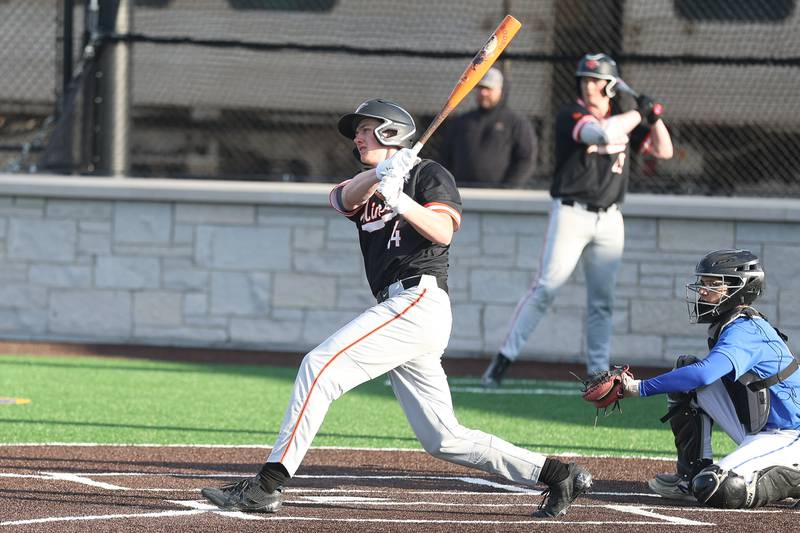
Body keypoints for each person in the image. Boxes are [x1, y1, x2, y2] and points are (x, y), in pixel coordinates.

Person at [200, 98, 592, 518]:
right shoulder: (370, 182)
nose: (357, 136)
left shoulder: (429, 174)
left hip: (418, 299)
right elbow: (339, 199)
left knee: (318, 366)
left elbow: (442, 231)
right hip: (400, 308)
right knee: (443, 438)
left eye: (366, 129)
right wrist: (380, 173)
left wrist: (403, 200)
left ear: (391, 132)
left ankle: (267, 485)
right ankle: (557, 474)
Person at [482, 53, 674, 388]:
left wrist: (654, 117)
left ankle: (597, 371)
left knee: (602, 301)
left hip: (610, 219)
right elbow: (600, 135)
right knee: (545, 288)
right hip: (571, 214)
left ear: (609, 86)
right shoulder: (570, 113)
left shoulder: (625, 117)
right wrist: (638, 113)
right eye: (585, 80)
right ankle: (502, 361)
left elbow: (664, 151)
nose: (589, 86)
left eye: (596, 80)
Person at [619, 249, 800, 508]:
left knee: (720, 488)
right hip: (764, 429)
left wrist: (637, 387)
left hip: (791, 433)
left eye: (713, 284)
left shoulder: (746, 329)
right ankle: (688, 476)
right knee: (686, 375)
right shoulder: (732, 323)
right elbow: (696, 376)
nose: (703, 291)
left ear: (739, 289)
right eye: (703, 283)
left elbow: (705, 373)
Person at [438, 67, 537, 187]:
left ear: (500, 90)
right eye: (480, 88)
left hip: (498, 196)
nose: (483, 92)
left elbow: (526, 159)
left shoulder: (516, 123)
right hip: (462, 192)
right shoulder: (462, 122)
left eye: (488, 88)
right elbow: (445, 156)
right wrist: (450, 186)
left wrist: (509, 188)